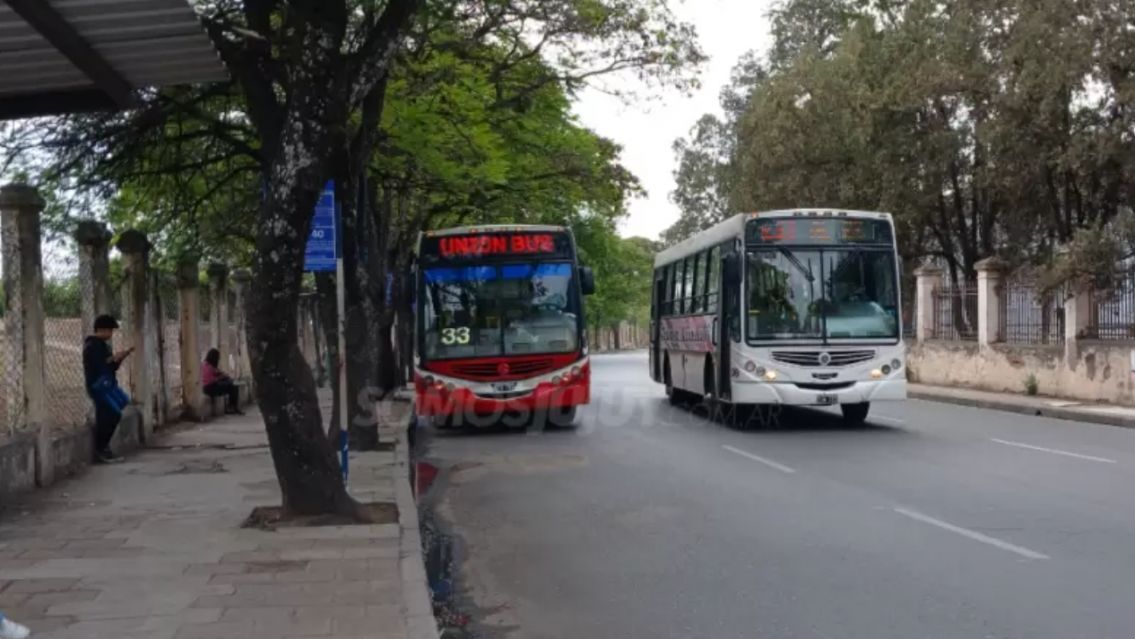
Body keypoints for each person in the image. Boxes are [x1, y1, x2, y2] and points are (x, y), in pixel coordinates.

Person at [82, 315, 133, 464]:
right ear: (102, 329)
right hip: (98, 386)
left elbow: (110, 367)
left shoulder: (103, 345)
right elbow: (100, 365)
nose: (111, 334)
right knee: (113, 414)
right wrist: (113, 359)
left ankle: (103, 447)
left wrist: (119, 358)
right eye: (110, 330)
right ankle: (101, 448)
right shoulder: (92, 345)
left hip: (107, 384)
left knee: (115, 409)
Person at [202, 349, 243, 415]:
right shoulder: (208, 366)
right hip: (209, 388)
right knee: (233, 387)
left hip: (209, 386)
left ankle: (232, 406)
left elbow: (216, 372)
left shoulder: (206, 364)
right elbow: (210, 381)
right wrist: (220, 378)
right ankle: (232, 407)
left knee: (229, 382)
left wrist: (221, 374)